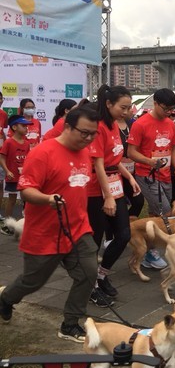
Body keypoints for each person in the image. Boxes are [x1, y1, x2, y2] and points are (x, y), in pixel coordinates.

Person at [0, 106, 100, 342]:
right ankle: (6, 299)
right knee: (32, 281)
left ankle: (70, 323)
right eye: (83, 133)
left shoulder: (85, 152)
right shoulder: (43, 153)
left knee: (88, 273)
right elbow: (26, 190)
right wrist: (47, 199)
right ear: (67, 126)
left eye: (92, 134)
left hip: (77, 229)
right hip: (44, 232)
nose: (88, 138)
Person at [87, 85, 141, 303]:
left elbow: (114, 159)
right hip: (95, 188)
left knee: (124, 234)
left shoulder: (116, 126)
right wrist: (107, 196)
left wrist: (129, 178)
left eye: (128, 108)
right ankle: (91, 287)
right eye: (123, 107)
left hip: (115, 183)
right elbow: (99, 164)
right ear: (109, 104)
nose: (126, 112)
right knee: (94, 240)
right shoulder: (99, 127)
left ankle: (101, 274)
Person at [127, 88, 175, 269]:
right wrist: (149, 162)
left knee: (154, 214)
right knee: (166, 213)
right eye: (165, 108)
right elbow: (131, 152)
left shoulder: (170, 124)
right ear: (155, 103)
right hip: (147, 175)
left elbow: (172, 147)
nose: (168, 112)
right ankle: (152, 251)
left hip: (166, 175)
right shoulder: (140, 124)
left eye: (171, 109)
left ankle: (147, 249)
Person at [0, 115, 31, 231]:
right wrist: (7, 171)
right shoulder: (9, 142)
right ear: (14, 127)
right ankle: (7, 224)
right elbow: (2, 158)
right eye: (23, 126)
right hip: (12, 176)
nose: (26, 128)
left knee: (27, 200)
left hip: (24, 176)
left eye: (27, 126)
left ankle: (27, 223)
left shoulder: (27, 143)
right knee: (12, 199)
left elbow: (28, 159)